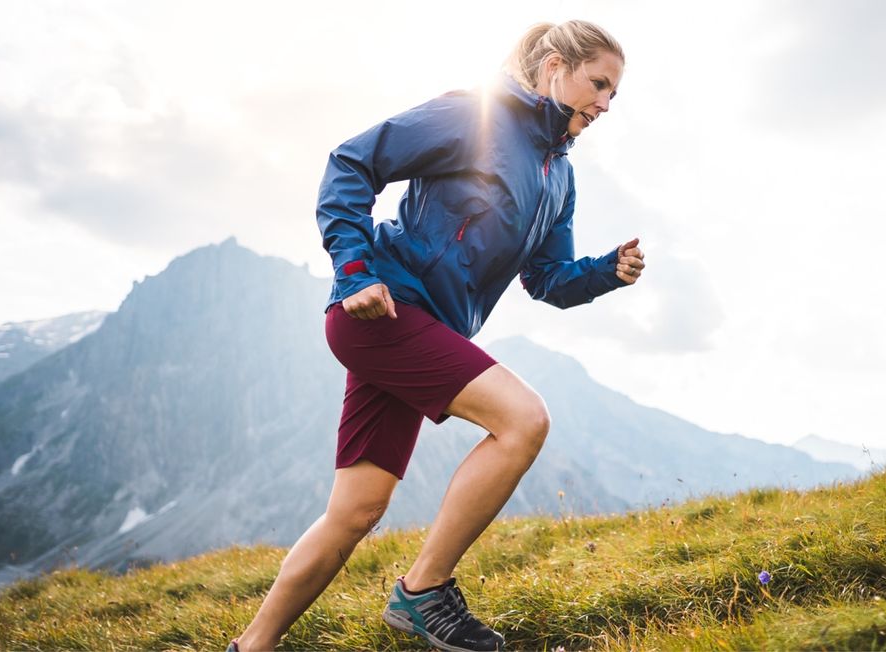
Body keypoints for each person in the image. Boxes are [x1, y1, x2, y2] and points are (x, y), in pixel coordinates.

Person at [227, 19, 643, 652]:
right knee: (523, 420)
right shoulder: (471, 116)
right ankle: (423, 593)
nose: (607, 104)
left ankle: (249, 646)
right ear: (556, 64)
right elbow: (351, 163)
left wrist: (604, 272)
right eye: (600, 84)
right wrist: (355, 270)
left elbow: (547, 279)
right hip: (382, 312)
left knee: (357, 512)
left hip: (422, 332)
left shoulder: (559, 175)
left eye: (616, 94)